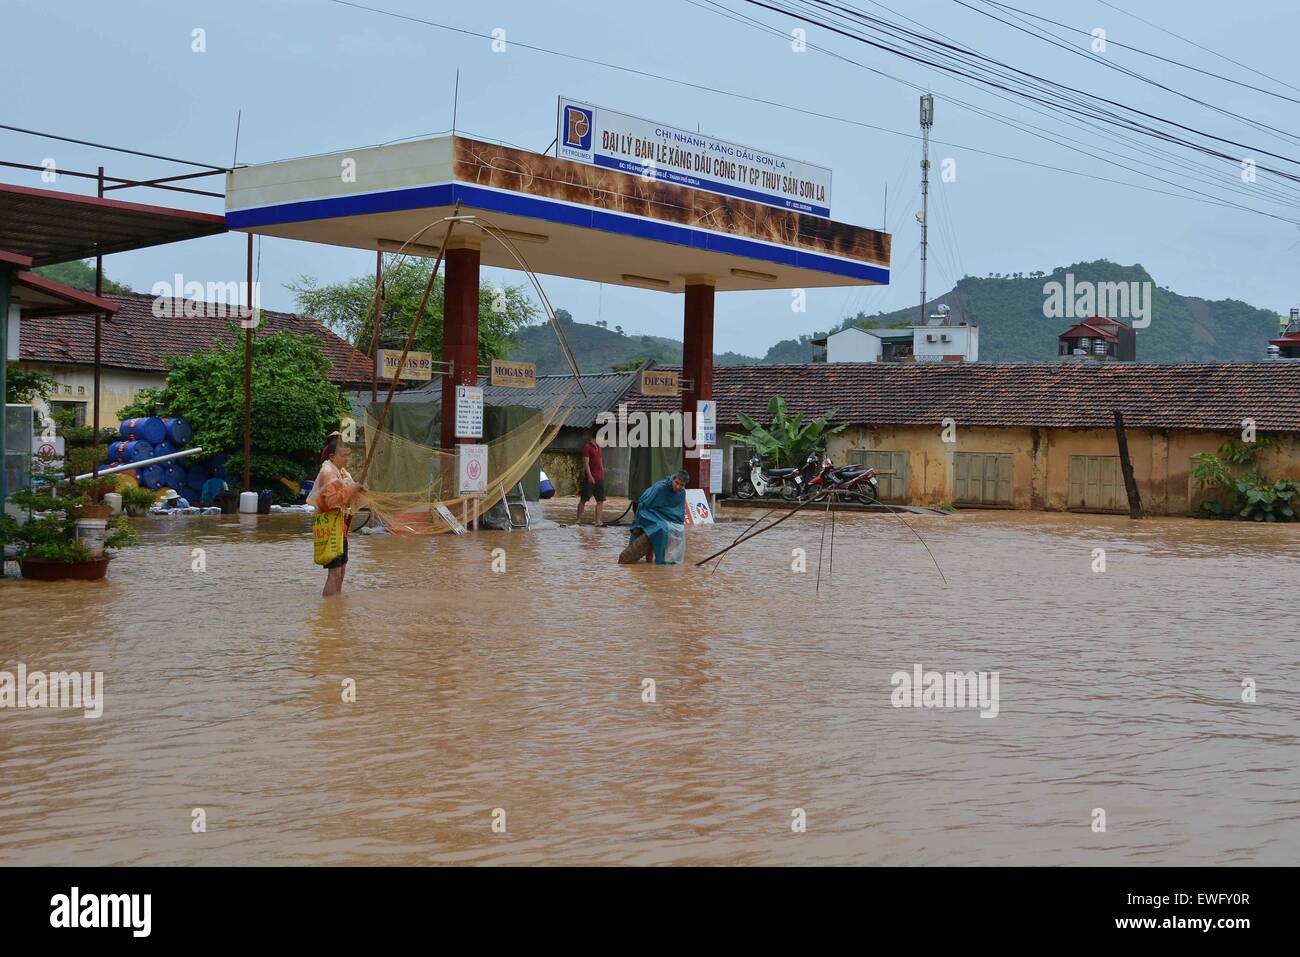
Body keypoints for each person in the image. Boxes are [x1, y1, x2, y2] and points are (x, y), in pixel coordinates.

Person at [308, 435, 364, 597]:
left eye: (348, 455)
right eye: (343, 455)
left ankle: (336, 609)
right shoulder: (327, 472)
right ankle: (329, 613)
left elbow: (349, 496)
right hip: (330, 528)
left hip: (341, 528)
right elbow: (331, 502)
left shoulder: (343, 473)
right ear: (332, 456)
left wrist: (357, 490)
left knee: (341, 572)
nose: (347, 459)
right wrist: (352, 490)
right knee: (334, 574)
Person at [619, 470, 688, 564]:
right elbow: (643, 503)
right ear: (673, 479)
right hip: (648, 512)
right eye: (676, 483)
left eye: (681, 485)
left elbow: (679, 512)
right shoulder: (660, 487)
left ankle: (671, 560)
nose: (678, 486)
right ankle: (661, 562)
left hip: (665, 516)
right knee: (661, 529)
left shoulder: (681, 493)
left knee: (679, 530)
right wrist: (638, 523)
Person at [576, 427, 607, 526]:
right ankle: (578, 520)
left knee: (600, 500)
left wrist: (602, 472)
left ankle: (598, 521)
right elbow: (586, 464)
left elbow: (600, 461)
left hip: (599, 478)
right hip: (590, 479)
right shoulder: (587, 448)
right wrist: (589, 476)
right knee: (584, 499)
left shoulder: (599, 447)